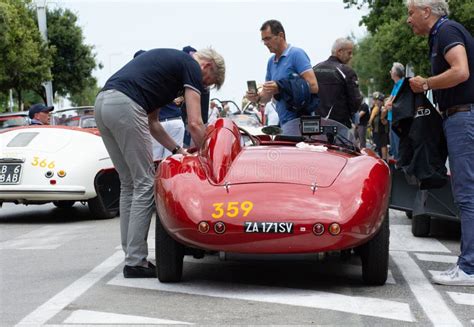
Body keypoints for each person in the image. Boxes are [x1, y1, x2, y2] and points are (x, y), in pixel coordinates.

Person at [94, 47, 225, 278]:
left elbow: (153, 122)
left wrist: (178, 149)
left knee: (129, 183)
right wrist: (209, 154)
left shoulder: (166, 70)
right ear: (208, 66)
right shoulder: (192, 66)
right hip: (125, 105)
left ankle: (131, 255)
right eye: (208, 83)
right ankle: (135, 262)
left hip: (103, 103)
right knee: (145, 183)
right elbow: (195, 123)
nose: (203, 87)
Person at [406, 0, 474, 286]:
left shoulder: (446, 32)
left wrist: (427, 84)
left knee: (467, 194)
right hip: (461, 116)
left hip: (463, 117)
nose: (408, 20)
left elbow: (461, 71)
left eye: (410, 13)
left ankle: (469, 268)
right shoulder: (443, 34)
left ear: (426, 11)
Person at [246, 19, 318, 134]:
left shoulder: (297, 54)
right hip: (284, 124)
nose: (265, 43)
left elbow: (314, 86)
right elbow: (267, 96)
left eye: (268, 38)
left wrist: (281, 86)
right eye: (263, 40)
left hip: (301, 122)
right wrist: (257, 97)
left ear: (281, 36)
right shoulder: (271, 62)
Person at [313, 38, 363, 128]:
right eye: (349, 53)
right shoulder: (346, 71)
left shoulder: (314, 69)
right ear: (339, 52)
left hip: (315, 124)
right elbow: (355, 101)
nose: (351, 56)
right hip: (339, 124)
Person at [384, 62, 405, 160]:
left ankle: (400, 165)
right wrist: (389, 103)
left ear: (396, 73)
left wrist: (389, 103)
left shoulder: (401, 84)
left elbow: (392, 102)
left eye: (391, 70)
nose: (390, 72)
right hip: (391, 117)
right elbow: (389, 101)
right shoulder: (396, 84)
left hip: (397, 118)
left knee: (397, 143)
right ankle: (397, 162)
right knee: (393, 142)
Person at [368, 92, 389, 161]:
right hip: (376, 129)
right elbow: (371, 119)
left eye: (376, 100)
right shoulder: (374, 107)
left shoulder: (383, 108)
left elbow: (385, 121)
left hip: (382, 129)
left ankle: (384, 160)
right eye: (374, 100)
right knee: (379, 145)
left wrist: (382, 118)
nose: (375, 101)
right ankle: (382, 159)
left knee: (383, 144)